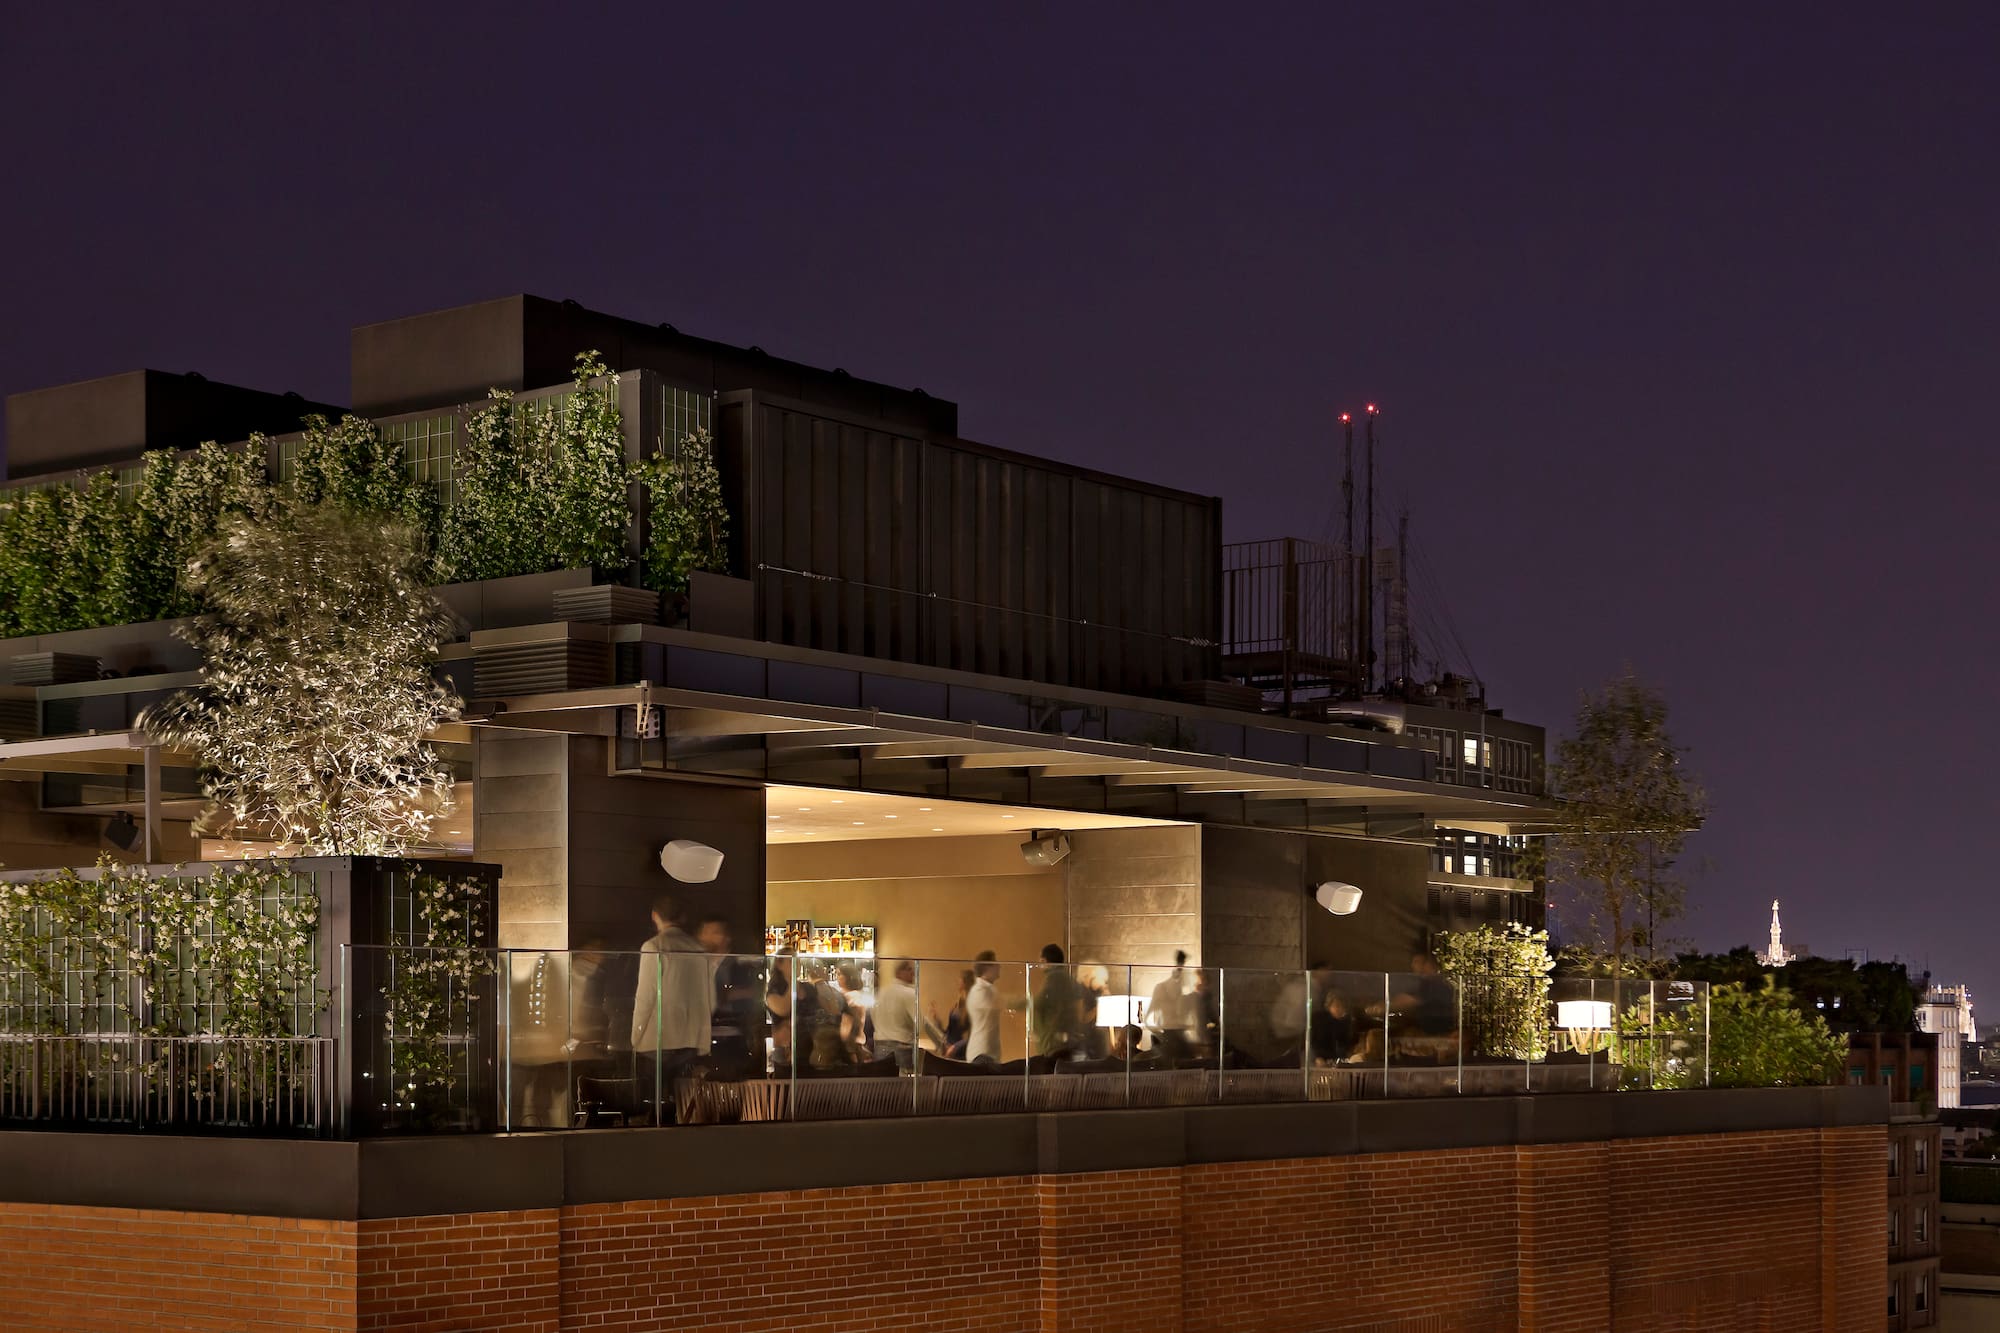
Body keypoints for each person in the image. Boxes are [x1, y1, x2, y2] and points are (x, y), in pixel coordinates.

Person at [631, 895, 713, 1121]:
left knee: (655, 1103)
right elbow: (709, 999)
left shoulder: (654, 946)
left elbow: (645, 996)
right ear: (683, 917)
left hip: (657, 1039)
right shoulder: (698, 949)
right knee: (680, 1102)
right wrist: (703, 1039)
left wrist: (636, 1035)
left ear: (654, 916)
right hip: (689, 1039)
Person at [873, 959, 945, 1071]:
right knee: (905, 1086)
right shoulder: (909, 993)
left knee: (883, 1086)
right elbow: (920, 1025)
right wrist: (939, 1040)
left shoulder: (881, 993)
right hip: (902, 1049)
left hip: (879, 1048)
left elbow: (875, 1018)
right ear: (899, 972)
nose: (913, 973)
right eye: (909, 969)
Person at [1030, 944, 1086, 1060]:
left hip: (1055, 1042)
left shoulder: (1054, 978)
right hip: (1068, 1040)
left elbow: (1039, 1002)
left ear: (1045, 960)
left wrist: (1011, 1002)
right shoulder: (1068, 979)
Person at [1145, 952, 1195, 1061]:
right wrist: (1160, 1034)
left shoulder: (1188, 992)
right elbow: (1147, 1019)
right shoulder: (1161, 988)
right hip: (1169, 1036)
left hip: (1181, 1037)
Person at [966, 951, 1003, 1064]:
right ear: (987, 966)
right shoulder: (979, 991)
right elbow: (999, 1004)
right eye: (995, 962)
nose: (999, 965)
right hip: (981, 1054)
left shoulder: (990, 989)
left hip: (990, 1054)